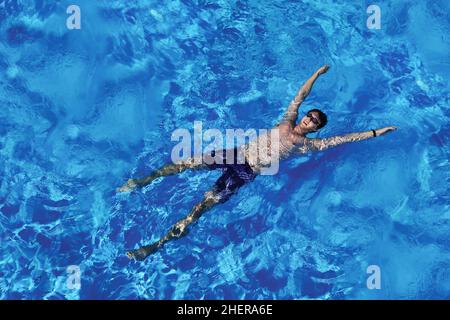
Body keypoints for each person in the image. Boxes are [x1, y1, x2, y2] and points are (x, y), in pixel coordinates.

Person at [118, 65, 397, 261]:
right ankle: (141, 181)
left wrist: (375, 133)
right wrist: (316, 75)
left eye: (314, 121)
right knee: (185, 163)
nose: (308, 119)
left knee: (200, 208)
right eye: (309, 116)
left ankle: (157, 245)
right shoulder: (287, 120)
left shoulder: (309, 145)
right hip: (235, 153)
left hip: (244, 172)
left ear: (316, 129)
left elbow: (343, 140)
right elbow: (300, 96)